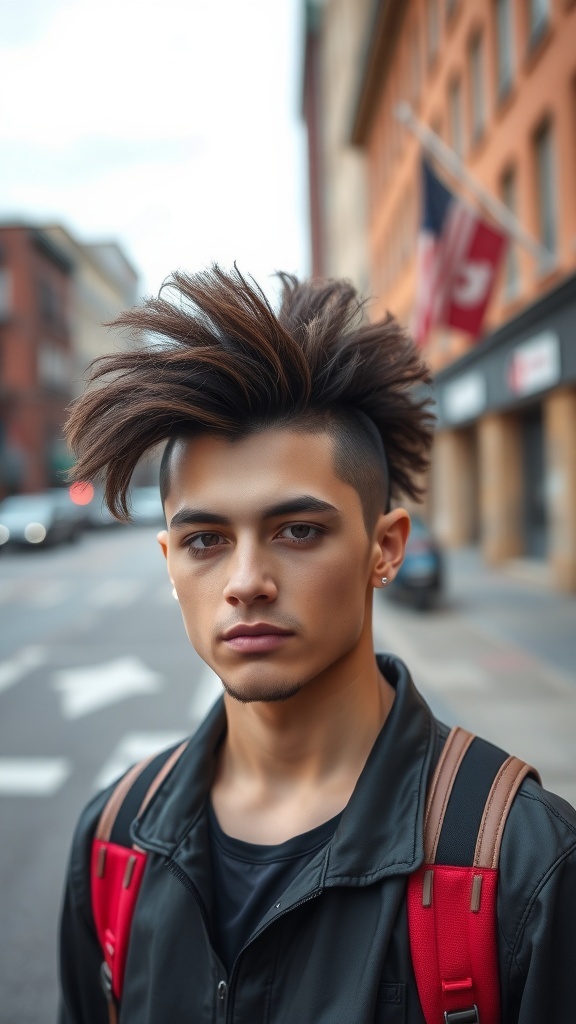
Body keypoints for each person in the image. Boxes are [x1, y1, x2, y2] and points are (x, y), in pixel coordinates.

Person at [58, 266, 576, 1023]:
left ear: (385, 548)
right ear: (170, 564)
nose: (246, 581)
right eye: (205, 540)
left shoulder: (525, 865)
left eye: (298, 531)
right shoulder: (114, 841)